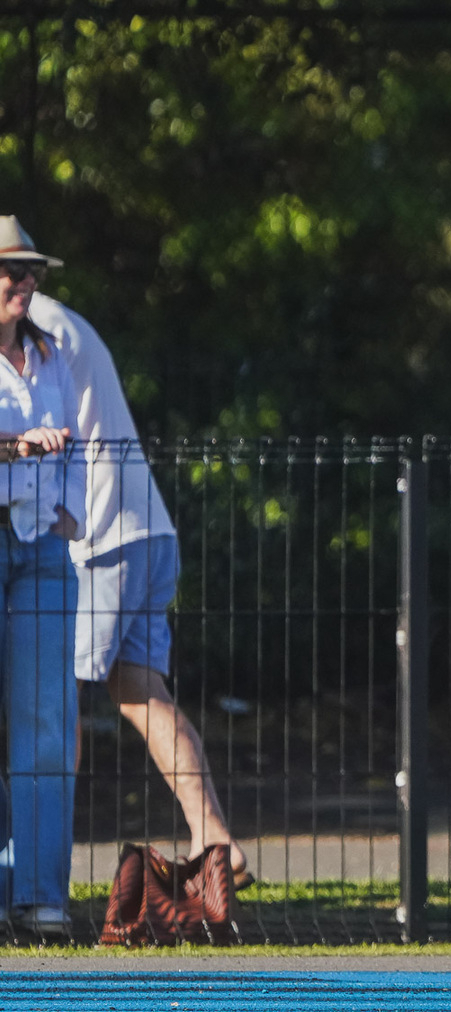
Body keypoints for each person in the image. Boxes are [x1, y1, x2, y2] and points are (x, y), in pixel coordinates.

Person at [27, 290, 250, 888]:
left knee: (57, 699)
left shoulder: (31, 326)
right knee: (138, 689)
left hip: (99, 537)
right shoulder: (60, 316)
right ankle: (216, 840)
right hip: (148, 527)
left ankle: (45, 872)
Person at [0, 216, 87, 936]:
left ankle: (39, 895)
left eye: (30, 273)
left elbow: (83, 445)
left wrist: (73, 514)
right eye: (10, 272)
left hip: (41, 550)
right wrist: (13, 447)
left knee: (46, 726)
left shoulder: (51, 357)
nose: (23, 283)